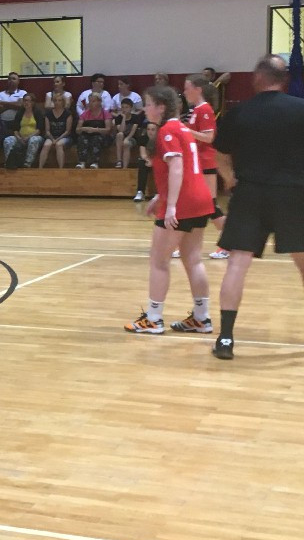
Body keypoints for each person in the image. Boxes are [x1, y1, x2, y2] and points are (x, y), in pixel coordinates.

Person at [211, 55, 304, 360]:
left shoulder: (239, 113)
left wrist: (230, 179)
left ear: (257, 78)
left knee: (237, 263)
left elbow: (220, 155)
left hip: (250, 193)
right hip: (293, 194)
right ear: (285, 79)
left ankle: (225, 339)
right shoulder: (300, 109)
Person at [124, 86, 214, 334]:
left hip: (183, 202)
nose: (144, 108)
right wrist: (159, 196)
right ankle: (202, 317)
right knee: (193, 259)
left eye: (148, 104)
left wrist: (171, 205)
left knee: (159, 261)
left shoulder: (167, 131)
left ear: (161, 107)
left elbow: (176, 166)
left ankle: (153, 319)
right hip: (200, 199)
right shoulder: (183, 129)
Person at [183, 74, 228, 259]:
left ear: (198, 90)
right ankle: (186, 245)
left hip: (206, 161)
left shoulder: (205, 109)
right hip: (196, 162)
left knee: (210, 205)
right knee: (193, 205)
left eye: (187, 88)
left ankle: (229, 244)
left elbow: (209, 137)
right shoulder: (196, 110)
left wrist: (185, 130)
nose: (185, 92)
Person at [2, 93, 44, 168]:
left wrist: (28, 137)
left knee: (34, 140)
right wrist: (19, 138)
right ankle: (9, 162)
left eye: (28, 101)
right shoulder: (20, 113)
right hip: (21, 137)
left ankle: (27, 164)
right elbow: (15, 129)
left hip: (34, 136)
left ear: (33, 102)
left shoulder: (37, 112)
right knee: (8, 140)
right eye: (25, 101)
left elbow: (39, 130)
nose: (26, 103)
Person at [74, 93, 112, 169]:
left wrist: (96, 130)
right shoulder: (85, 114)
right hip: (87, 135)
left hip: (101, 136)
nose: (91, 103)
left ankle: (95, 162)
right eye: (90, 101)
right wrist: (84, 129)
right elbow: (77, 130)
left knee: (96, 139)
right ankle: (82, 162)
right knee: (82, 139)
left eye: (93, 101)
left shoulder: (105, 114)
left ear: (99, 102)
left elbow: (108, 130)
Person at [39, 92, 74, 168]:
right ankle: (40, 168)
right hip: (51, 136)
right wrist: (52, 139)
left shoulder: (68, 114)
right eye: (55, 100)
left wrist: (57, 139)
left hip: (64, 136)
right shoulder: (48, 114)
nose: (57, 102)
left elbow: (67, 131)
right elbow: (47, 131)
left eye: (59, 100)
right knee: (46, 145)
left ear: (63, 102)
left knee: (59, 145)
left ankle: (61, 168)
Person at [114, 97, 146, 168]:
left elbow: (133, 131)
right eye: (122, 107)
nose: (124, 109)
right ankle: (119, 160)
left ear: (131, 108)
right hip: (120, 138)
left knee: (126, 143)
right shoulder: (118, 118)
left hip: (132, 138)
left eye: (126, 107)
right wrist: (124, 118)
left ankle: (125, 167)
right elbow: (121, 130)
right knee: (119, 134)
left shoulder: (135, 117)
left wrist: (127, 138)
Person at [133, 120, 159, 201]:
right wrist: (148, 160)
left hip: (158, 160)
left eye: (153, 130)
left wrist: (154, 161)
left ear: (157, 131)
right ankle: (140, 192)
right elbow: (143, 154)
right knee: (141, 163)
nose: (150, 132)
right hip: (149, 160)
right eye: (148, 129)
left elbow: (161, 155)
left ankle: (158, 193)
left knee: (161, 166)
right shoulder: (143, 139)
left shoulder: (161, 139)